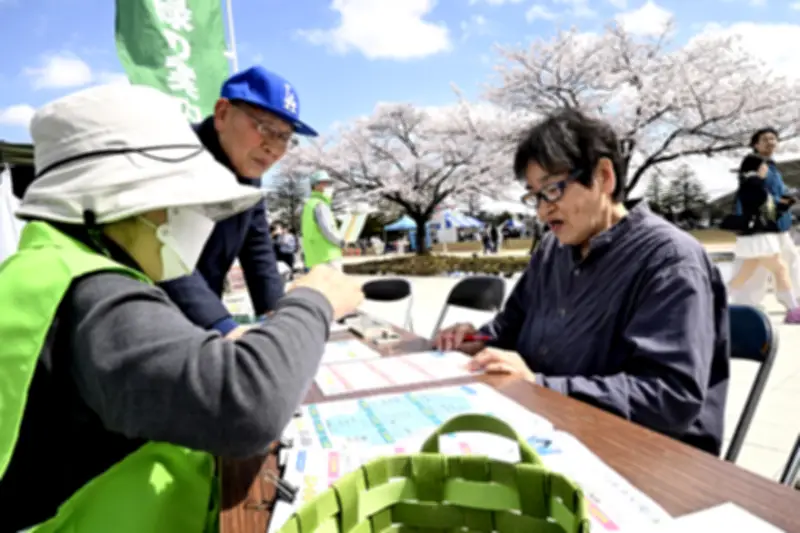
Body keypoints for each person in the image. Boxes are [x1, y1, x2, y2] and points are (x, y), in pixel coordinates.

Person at [0, 84, 364, 532]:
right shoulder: (95, 294)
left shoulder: (47, 266)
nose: (198, 218)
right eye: (182, 201)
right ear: (124, 200)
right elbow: (247, 407)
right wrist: (314, 300)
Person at [434, 109, 730, 456]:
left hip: (640, 454)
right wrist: (474, 339)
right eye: (535, 196)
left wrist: (540, 386)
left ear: (604, 176)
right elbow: (508, 326)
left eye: (553, 190)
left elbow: (669, 397)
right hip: (548, 428)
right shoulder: (552, 250)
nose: (543, 212)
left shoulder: (669, 260)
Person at [160, 66, 318, 339]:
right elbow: (161, 251)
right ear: (222, 114)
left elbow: (258, 247)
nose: (274, 149)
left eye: (284, 137)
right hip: (149, 319)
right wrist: (223, 327)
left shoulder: (247, 171)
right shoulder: (172, 156)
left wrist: (276, 315)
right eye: (265, 128)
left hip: (202, 315)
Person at [730, 127, 800, 308]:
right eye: (765, 139)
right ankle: (747, 302)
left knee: (787, 259)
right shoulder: (752, 163)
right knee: (760, 266)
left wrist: (789, 196)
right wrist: (783, 201)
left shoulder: (771, 165)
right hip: (762, 224)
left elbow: (777, 190)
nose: (771, 142)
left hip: (776, 222)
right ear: (756, 144)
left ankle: (793, 299)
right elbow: (754, 192)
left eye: (773, 139)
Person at [301, 170, 345, 270]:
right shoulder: (320, 204)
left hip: (314, 255)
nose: (327, 185)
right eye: (323, 182)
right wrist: (340, 242)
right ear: (315, 186)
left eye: (328, 183)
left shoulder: (309, 204)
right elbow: (327, 229)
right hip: (328, 255)